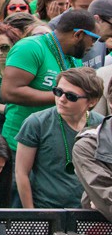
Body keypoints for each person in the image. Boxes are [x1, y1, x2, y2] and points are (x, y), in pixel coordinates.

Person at [1, 9, 99, 150]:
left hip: (53, 144)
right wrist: (67, 97)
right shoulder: (30, 47)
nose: (93, 45)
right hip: (20, 142)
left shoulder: (74, 59)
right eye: (93, 39)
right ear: (78, 34)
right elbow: (9, 92)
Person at [15, 67, 104, 209]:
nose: (61, 99)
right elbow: (21, 173)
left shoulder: (102, 126)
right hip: (46, 209)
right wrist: (31, 214)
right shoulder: (36, 123)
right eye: (58, 92)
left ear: (92, 101)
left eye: (71, 96)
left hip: (89, 211)